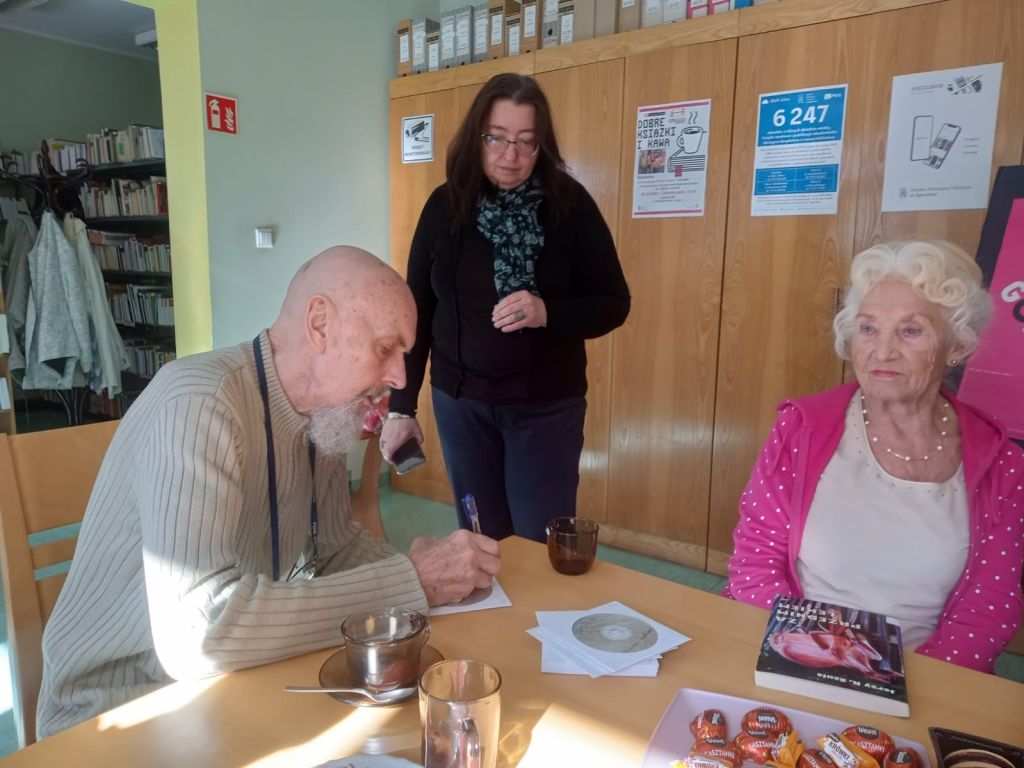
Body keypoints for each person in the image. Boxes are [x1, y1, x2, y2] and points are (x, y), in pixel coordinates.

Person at [37, 246, 502, 738]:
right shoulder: (199, 403)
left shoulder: (323, 416)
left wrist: (426, 576)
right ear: (320, 323)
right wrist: (409, 581)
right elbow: (199, 636)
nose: (400, 377)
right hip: (119, 712)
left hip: (223, 690)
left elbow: (338, 545)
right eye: (386, 347)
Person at [726, 240, 1024, 673]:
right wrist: (813, 657)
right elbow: (755, 561)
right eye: (868, 328)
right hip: (791, 652)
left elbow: (988, 609)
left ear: (956, 345)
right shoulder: (802, 426)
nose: (882, 351)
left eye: (911, 330)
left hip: (926, 676)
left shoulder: (1002, 464)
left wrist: (896, 683)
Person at [382, 73, 631, 543]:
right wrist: (401, 407)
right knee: (479, 538)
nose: (509, 155)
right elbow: (417, 309)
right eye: (496, 138)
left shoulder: (569, 206)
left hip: (545, 409)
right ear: (477, 136)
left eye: (525, 142)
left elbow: (614, 303)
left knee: (538, 544)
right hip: (461, 405)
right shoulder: (445, 207)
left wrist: (547, 312)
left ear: (543, 145)